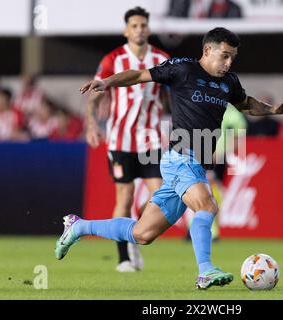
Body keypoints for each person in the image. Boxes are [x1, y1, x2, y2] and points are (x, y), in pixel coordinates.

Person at [56, 27, 283, 289]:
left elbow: (246, 104)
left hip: (195, 163)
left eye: (233, 58)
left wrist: (273, 109)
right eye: (225, 56)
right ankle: (205, 271)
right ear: (207, 50)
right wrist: (107, 82)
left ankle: (79, 227)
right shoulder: (182, 69)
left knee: (143, 233)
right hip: (181, 156)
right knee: (207, 207)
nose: (228, 63)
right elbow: (139, 74)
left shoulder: (229, 82)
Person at [83, 7, 170, 272]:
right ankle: (124, 257)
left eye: (143, 25)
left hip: (151, 139)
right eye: (134, 25)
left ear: (149, 28)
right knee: (125, 196)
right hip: (120, 140)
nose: (139, 29)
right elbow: (97, 93)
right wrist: (90, 122)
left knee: (161, 195)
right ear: (126, 30)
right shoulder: (114, 58)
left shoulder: (162, 58)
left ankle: (132, 230)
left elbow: (172, 94)